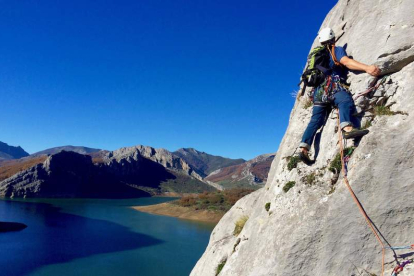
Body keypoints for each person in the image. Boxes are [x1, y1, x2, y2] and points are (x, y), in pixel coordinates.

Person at [298, 27, 381, 165]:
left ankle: (303, 149)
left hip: (318, 93)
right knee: (345, 100)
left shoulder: (316, 56)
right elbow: (346, 62)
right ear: (333, 39)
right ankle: (347, 129)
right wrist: (367, 68)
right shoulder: (335, 50)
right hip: (333, 86)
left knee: (315, 120)